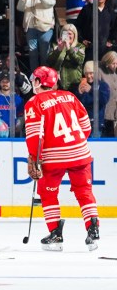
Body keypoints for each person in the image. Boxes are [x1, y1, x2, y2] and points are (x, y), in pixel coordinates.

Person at [24, 66, 99, 252]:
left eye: (35, 79)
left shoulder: (34, 102)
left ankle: (56, 234)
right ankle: (93, 230)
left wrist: (34, 159)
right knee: (84, 191)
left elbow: (35, 137)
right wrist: (75, 144)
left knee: (48, 194)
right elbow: (85, 127)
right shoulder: (70, 96)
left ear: (39, 82)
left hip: (54, 158)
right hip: (80, 153)